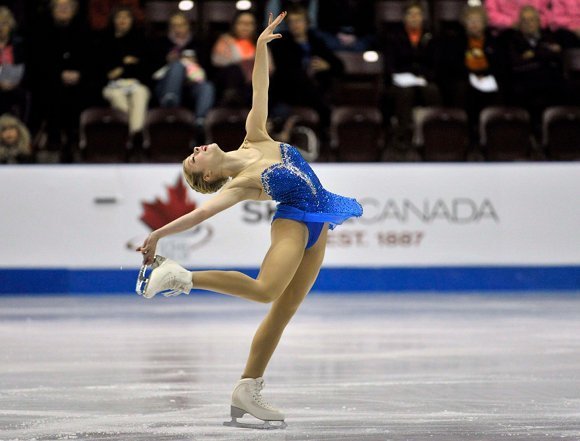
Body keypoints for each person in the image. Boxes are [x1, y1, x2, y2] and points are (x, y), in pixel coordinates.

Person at [136, 12, 362, 429]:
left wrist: (258, 47)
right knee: (264, 291)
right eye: (194, 158)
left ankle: (247, 387)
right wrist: (159, 233)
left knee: (282, 313)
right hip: (294, 223)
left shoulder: (254, 135)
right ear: (208, 175)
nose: (198, 148)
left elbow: (262, 87)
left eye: (194, 149)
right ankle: (182, 278)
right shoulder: (239, 183)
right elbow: (200, 213)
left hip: (321, 222)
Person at [381, 0, 440, 151]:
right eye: (410, 14)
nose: (414, 17)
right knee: (405, 93)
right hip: (399, 82)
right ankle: (402, 136)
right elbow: (390, 66)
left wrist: (423, 76)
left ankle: (432, 135)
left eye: (417, 14)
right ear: (404, 17)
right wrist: (404, 75)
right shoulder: (393, 37)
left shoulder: (430, 37)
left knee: (432, 91)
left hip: (423, 80)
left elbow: (435, 65)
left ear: (422, 17)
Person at [152, 12, 215, 130]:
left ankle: (200, 121)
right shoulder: (160, 43)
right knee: (177, 65)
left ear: (188, 26)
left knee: (207, 87)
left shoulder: (198, 44)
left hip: (190, 86)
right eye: (174, 26)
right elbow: (150, 72)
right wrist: (166, 60)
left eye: (181, 25)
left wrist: (196, 62)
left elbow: (210, 71)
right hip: (165, 87)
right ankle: (171, 100)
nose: (178, 29)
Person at [100, 6, 150, 146]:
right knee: (117, 96)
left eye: (126, 17)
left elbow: (144, 68)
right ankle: (131, 136)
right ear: (113, 20)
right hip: (112, 86)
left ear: (131, 20)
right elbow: (103, 70)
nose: (123, 20)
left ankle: (134, 134)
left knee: (141, 93)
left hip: (135, 84)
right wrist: (125, 63)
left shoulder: (140, 40)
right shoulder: (104, 41)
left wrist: (119, 67)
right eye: (119, 17)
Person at [211, 10, 261, 107]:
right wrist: (246, 62)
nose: (246, 27)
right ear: (235, 25)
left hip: (253, 85)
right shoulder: (226, 40)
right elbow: (217, 60)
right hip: (228, 82)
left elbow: (269, 67)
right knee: (234, 70)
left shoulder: (259, 42)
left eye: (250, 23)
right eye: (242, 23)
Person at [0, 6, 28, 121]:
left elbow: (27, 68)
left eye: (4, 23)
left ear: (10, 25)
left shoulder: (19, 44)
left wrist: (16, 83)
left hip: (16, 87)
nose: (0, 27)